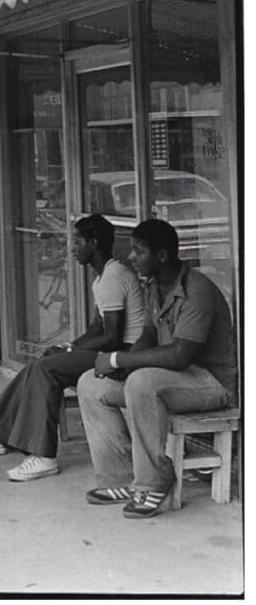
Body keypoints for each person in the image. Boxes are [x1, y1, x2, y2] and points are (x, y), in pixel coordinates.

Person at [0, 214, 145, 482]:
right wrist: (68, 347)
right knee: (38, 365)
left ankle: (44, 456)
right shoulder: (102, 277)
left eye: (78, 241)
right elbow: (98, 329)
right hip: (112, 350)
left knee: (46, 371)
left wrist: (70, 354)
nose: (72, 248)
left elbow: (112, 338)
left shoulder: (113, 275)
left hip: (124, 357)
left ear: (93, 243)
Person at [78, 218, 236, 518]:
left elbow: (179, 355)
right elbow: (149, 335)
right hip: (176, 378)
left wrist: (118, 360)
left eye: (139, 251)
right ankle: (121, 477)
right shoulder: (154, 286)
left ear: (161, 256)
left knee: (141, 383)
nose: (131, 257)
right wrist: (121, 368)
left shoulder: (197, 289)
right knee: (92, 383)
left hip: (211, 383)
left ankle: (154, 484)